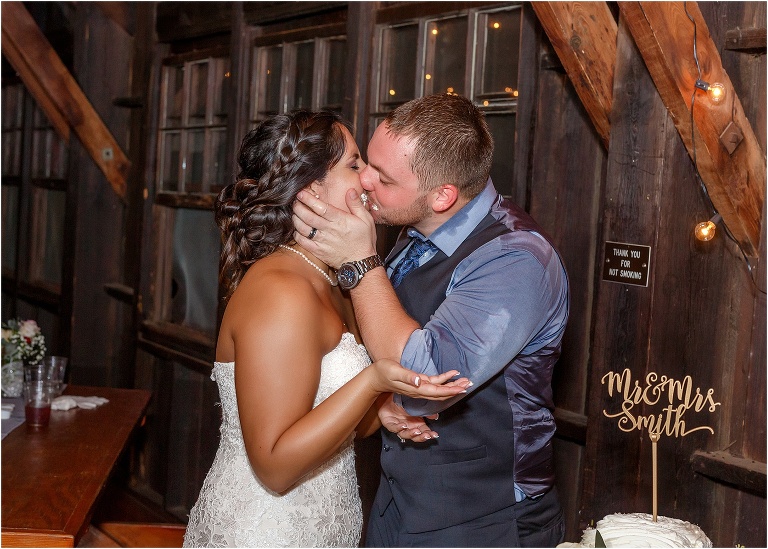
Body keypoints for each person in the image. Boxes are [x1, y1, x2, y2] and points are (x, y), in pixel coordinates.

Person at [292, 93, 570, 547]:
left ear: (443, 196)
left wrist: (360, 262)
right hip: (399, 498)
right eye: (367, 163)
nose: (364, 180)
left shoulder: (517, 260)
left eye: (383, 177)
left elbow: (423, 379)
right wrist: (377, 400)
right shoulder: (415, 225)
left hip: (483, 520)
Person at [183, 110, 469, 548]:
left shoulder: (331, 277)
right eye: (354, 164)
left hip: (322, 527)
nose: (369, 177)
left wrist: (380, 411)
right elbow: (274, 467)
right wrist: (374, 382)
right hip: (267, 531)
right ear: (312, 188)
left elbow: (328, 420)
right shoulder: (282, 291)